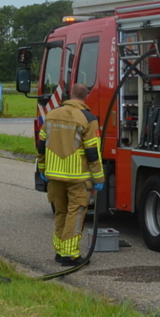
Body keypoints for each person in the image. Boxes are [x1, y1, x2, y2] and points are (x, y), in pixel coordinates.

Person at [36, 82, 104, 266]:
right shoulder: (88, 118)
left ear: (69, 95)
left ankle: (59, 251)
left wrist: (42, 168)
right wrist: (98, 178)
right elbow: (92, 152)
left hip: (53, 174)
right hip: (77, 176)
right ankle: (70, 254)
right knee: (77, 212)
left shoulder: (51, 115)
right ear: (86, 96)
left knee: (61, 212)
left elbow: (41, 145)